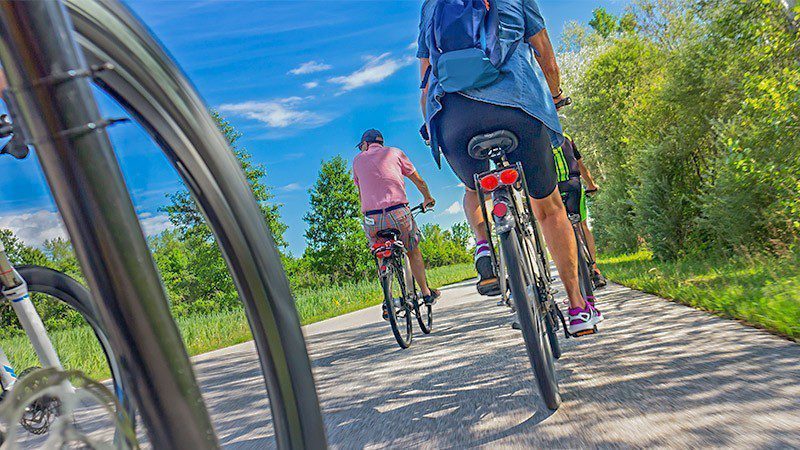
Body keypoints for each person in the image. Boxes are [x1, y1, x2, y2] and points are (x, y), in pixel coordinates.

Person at [416, 0, 602, 334]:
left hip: (453, 117)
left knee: (475, 188)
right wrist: (555, 96)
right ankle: (577, 307)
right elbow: (544, 52)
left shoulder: (432, 5)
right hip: (517, 106)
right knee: (548, 207)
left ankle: (484, 243)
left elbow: (426, 80)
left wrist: (432, 127)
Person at [352, 129, 440, 320]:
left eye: (361, 146)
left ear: (365, 144)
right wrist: (428, 198)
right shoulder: (395, 153)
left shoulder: (358, 160)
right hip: (398, 213)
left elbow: (361, 194)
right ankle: (425, 293)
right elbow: (418, 180)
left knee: (380, 251)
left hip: (372, 218)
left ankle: (388, 296)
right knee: (412, 249)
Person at [553, 131, 607, 289]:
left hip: (553, 189)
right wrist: (591, 185)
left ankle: (570, 274)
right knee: (582, 225)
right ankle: (595, 270)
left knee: (559, 230)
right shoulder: (566, 137)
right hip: (573, 184)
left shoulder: (538, 139)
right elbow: (580, 165)